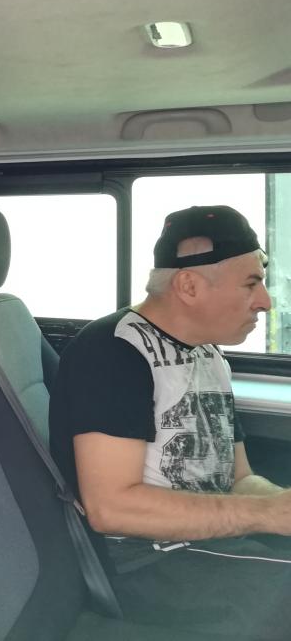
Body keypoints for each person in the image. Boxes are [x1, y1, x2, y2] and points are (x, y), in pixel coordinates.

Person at [49, 204, 291, 638]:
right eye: (251, 283)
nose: (266, 301)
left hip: (209, 540)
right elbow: (112, 508)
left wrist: (280, 504)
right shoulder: (113, 352)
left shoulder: (209, 354)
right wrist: (266, 515)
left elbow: (239, 479)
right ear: (189, 285)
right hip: (148, 563)